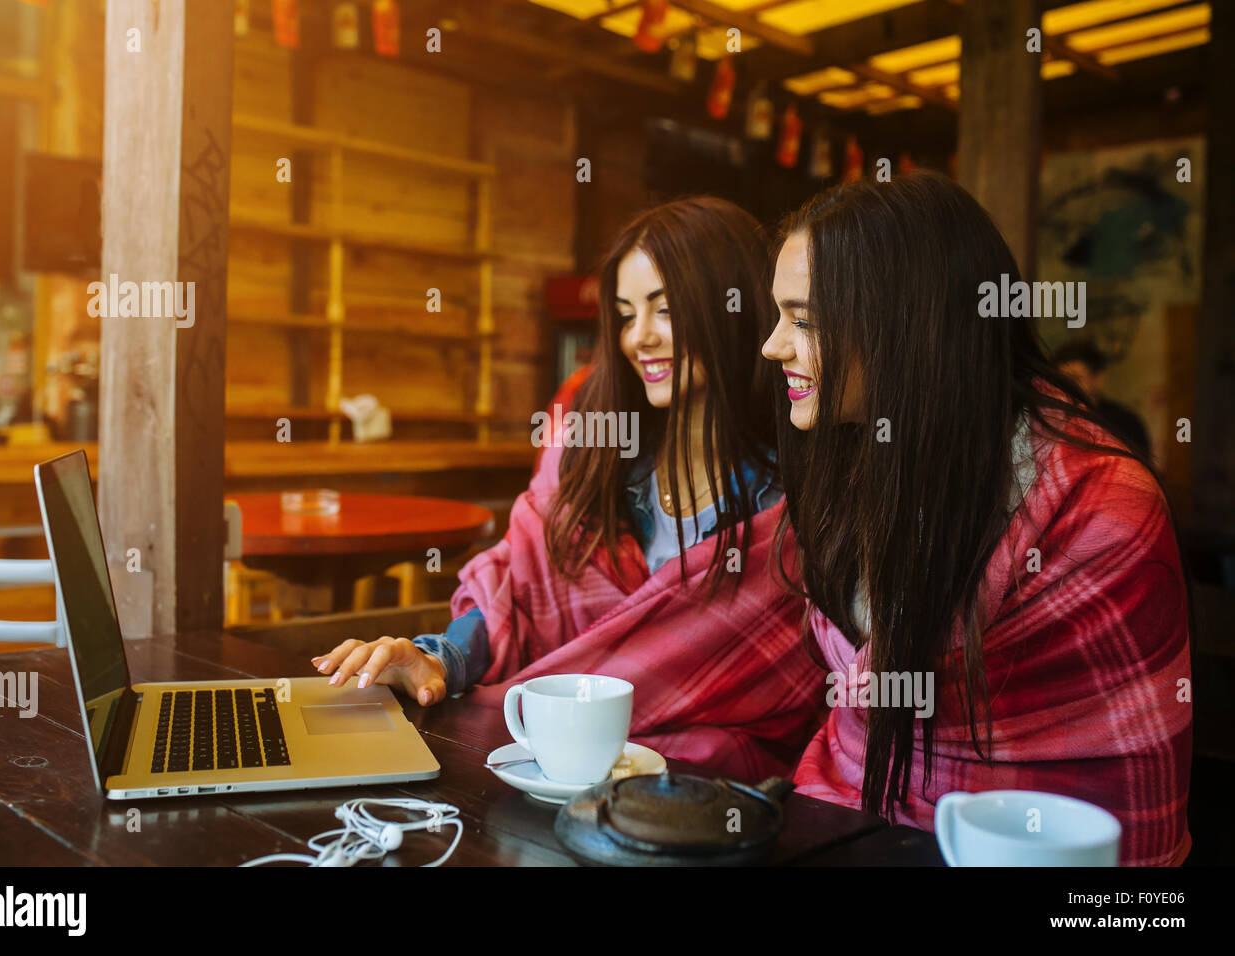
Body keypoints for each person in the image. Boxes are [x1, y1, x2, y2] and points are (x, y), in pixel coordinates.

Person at [314, 197, 827, 779]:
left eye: (665, 310)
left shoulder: (795, 502)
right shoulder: (596, 456)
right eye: (626, 315)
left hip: (713, 797)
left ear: (735, 307)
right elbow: (518, 583)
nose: (641, 338)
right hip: (556, 770)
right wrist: (438, 657)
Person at [762, 171, 1191, 865]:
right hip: (842, 818)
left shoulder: (1101, 508)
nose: (772, 346)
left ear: (910, 324)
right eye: (778, 316)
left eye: (804, 320)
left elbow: (1111, 821)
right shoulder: (854, 457)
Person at [1053, 338, 1153, 460]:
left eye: (1075, 379)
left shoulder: (1125, 423)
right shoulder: (1053, 421)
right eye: (1061, 381)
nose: (1067, 386)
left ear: (1098, 379)